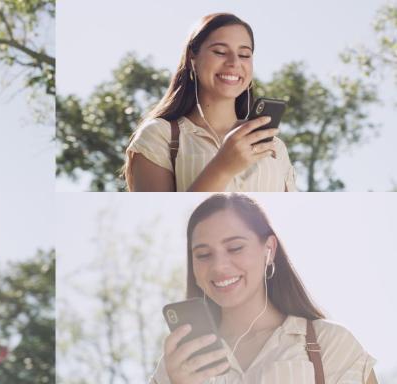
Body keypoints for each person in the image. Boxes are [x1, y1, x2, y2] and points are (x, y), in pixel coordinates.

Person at [151, 193, 376, 383]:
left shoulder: (330, 341)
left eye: (235, 248)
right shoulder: (177, 363)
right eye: (203, 255)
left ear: (269, 249)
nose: (219, 266)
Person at [125, 13, 297, 192]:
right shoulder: (159, 136)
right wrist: (222, 168)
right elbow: (161, 218)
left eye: (244, 55)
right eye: (220, 52)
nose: (234, 62)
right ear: (192, 59)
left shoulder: (275, 146)